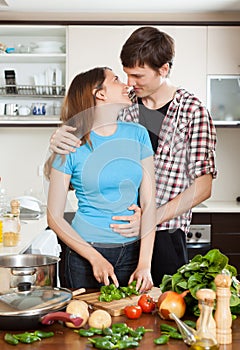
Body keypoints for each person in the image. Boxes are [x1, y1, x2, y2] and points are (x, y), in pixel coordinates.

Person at [49, 27, 217, 286]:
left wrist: (148, 219)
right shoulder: (124, 111)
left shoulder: (192, 112)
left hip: (165, 235)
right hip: (121, 239)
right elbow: (84, 166)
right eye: (125, 75)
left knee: (161, 314)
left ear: (163, 69)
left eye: (137, 75)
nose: (129, 83)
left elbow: (204, 186)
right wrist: (62, 138)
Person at [45, 66, 156, 292]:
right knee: (83, 323)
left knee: (130, 323)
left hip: (132, 253)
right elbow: (54, 217)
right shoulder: (69, 143)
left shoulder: (138, 134)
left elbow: (149, 202)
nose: (126, 84)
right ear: (100, 94)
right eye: (115, 80)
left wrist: (145, 263)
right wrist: (94, 258)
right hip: (84, 255)